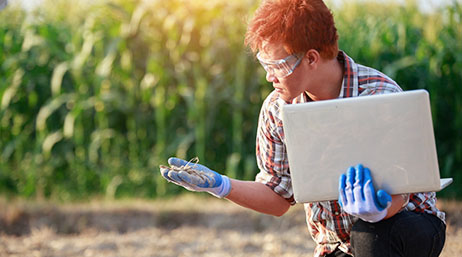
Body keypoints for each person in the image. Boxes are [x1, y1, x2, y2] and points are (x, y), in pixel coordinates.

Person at [159, 0, 446, 256]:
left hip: (408, 228)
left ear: (310, 58)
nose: (269, 76)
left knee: (370, 235)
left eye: (276, 65)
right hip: (336, 246)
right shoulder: (276, 111)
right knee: (361, 238)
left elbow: (404, 189)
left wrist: (378, 210)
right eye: (263, 64)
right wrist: (222, 186)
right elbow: (278, 198)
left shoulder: (382, 96)